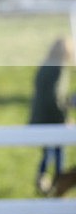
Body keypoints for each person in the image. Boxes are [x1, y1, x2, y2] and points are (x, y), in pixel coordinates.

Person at [29, 37, 73, 194]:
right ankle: (57, 182)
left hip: (41, 115)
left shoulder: (45, 65)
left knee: (48, 150)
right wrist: (63, 118)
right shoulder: (58, 68)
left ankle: (44, 178)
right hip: (51, 117)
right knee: (58, 150)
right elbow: (55, 97)